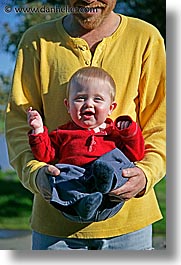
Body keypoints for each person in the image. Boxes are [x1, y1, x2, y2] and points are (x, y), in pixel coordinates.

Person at [5, 0, 166, 250]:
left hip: (131, 226)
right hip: (55, 227)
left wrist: (146, 174)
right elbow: (18, 121)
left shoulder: (145, 37)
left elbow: (162, 122)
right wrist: (35, 174)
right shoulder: (36, 40)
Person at [27, 66, 144, 223]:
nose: (88, 104)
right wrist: (38, 130)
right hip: (78, 186)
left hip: (111, 196)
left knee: (120, 161)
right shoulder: (62, 134)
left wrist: (129, 132)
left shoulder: (114, 133)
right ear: (68, 106)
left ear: (111, 108)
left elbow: (136, 155)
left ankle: (105, 178)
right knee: (60, 173)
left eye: (97, 99)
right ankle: (83, 204)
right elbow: (45, 156)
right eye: (80, 98)